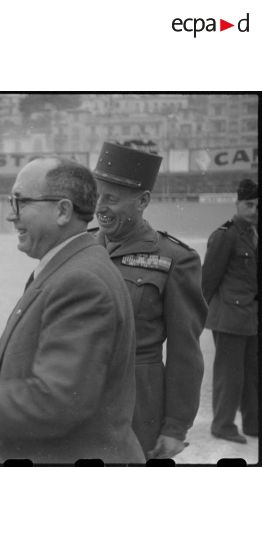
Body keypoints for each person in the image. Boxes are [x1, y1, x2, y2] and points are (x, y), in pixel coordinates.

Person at [0, 157, 145, 464]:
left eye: (21, 202)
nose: (11, 216)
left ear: (62, 211)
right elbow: (42, 355)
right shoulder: (70, 265)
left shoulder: (80, 280)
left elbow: (57, 400)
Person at [92, 141, 208, 459]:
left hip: (138, 409)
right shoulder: (81, 247)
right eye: (97, 195)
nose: (100, 206)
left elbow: (186, 353)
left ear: (142, 200)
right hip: (79, 400)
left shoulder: (175, 259)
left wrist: (175, 427)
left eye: (112, 199)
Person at [202, 178, 258, 444]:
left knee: (253, 374)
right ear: (237, 204)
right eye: (249, 204)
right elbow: (209, 277)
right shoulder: (225, 235)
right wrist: (199, 314)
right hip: (229, 317)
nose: (255, 210)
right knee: (230, 375)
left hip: (251, 318)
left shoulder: (254, 235)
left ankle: (253, 423)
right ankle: (222, 425)